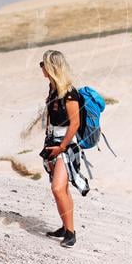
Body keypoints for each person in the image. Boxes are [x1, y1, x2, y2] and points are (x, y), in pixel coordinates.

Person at [40, 49, 90, 249]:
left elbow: (75, 124)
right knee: (62, 189)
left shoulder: (70, 93)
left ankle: (71, 233)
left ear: (52, 67)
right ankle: (65, 225)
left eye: (43, 64)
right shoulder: (53, 88)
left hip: (66, 145)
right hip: (52, 143)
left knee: (58, 188)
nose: (41, 68)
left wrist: (61, 147)